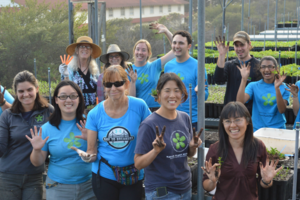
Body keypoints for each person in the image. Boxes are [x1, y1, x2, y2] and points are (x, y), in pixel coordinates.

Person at [84, 65, 151, 200]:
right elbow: (91, 151)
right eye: (109, 84)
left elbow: (152, 133)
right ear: (104, 87)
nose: (113, 88)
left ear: (126, 84)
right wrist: (86, 156)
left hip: (133, 174)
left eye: (118, 83)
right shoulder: (94, 114)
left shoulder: (140, 106)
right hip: (105, 175)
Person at [134, 73, 202, 200]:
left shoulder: (184, 118)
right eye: (167, 91)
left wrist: (193, 147)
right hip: (162, 193)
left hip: (185, 188)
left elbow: (188, 154)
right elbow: (138, 164)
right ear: (159, 95)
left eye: (177, 91)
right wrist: (155, 151)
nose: (172, 95)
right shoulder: (149, 124)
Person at [26, 80, 96, 200]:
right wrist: (36, 150)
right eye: (63, 96)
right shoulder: (46, 129)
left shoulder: (90, 123)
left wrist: (92, 139)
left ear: (79, 99)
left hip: (89, 186)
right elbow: (37, 162)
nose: (68, 100)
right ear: (56, 100)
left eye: (73, 96)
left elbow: (98, 153)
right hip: (58, 188)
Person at [202, 101, 282, 200]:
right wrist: (212, 181)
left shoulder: (258, 146)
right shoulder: (215, 149)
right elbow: (206, 185)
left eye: (237, 120)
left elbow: (265, 183)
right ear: (222, 123)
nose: (232, 125)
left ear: (247, 121)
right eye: (227, 121)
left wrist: (267, 180)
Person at [0, 70, 54, 200]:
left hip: (34, 177)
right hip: (9, 177)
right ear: (16, 92)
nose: (26, 94)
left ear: (36, 88)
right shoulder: (8, 115)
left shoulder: (48, 111)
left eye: (29, 89)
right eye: (21, 91)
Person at [164, 30, 209, 130]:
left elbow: (205, 96)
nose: (177, 46)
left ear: (189, 46)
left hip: (191, 121)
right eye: (174, 42)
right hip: (171, 118)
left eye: (181, 43)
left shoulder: (198, 66)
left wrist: (199, 92)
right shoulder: (168, 66)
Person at [236, 56, 290, 132]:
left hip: (278, 129)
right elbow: (240, 102)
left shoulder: (284, 87)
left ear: (276, 69)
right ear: (260, 69)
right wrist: (244, 79)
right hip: (258, 129)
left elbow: (281, 110)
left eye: (270, 67)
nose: (267, 70)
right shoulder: (253, 86)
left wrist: (277, 88)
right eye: (263, 67)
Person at [131, 23, 175, 112]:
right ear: (134, 51)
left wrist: (166, 32)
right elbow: (131, 99)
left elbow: (175, 50)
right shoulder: (129, 70)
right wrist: (132, 81)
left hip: (157, 109)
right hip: (139, 110)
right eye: (138, 49)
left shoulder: (155, 66)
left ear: (149, 54)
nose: (140, 52)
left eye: (144, 50)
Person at [213, 31, 260, 113]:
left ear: (249, 44)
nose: (239, 49)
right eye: (236, 46)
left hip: (251, 113)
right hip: (231, 112)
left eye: (242, 45)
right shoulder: (230, 65)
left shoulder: (258, 65)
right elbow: (218, 80)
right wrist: (222, 55)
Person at [64, 36, 102, 107]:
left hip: (93, 109)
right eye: (82, 47)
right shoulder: (69, 68)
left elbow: (99, 88)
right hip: (75, 107)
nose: (85, 49)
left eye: (88, 47)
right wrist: (65, 75)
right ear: (77, 51)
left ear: (91, 52)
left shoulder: (94, 70)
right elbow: (65, 89)